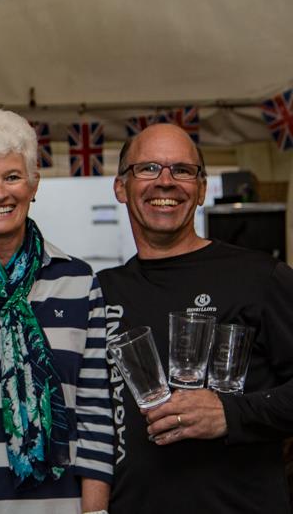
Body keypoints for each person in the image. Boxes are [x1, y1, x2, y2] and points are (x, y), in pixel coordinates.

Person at [98, 123, 293, 514]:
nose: (165, 182)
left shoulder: (260, 278)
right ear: (121, 187)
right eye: (148, 168)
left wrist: (230, 414)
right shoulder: (100, 291)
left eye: (182, 170)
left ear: (202, 190)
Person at [0, 107, 113, 513]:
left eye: (12, 177)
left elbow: (96, 413)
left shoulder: (79, 282)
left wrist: (95, 510)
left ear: (34, 185)